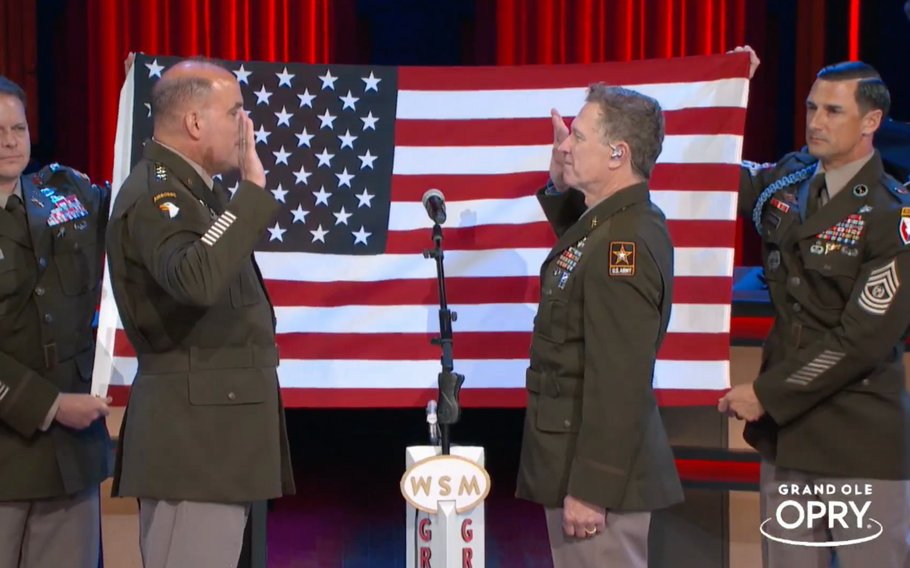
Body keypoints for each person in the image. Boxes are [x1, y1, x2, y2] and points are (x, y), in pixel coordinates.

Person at [721, 47, 910, 566]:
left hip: (858, 438)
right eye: (811, 108)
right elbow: (716, 173)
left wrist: (767, 393)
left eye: (833, 111)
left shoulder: (892, 215)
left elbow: (860, 341)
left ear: (871, 121)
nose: (816, 122)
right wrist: (722, 92)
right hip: (788, 440)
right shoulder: (790, 179)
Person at [105, 59, 295, 567]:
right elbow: (194, 278)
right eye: (234, 112)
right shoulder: (159, 192)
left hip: (215, 442)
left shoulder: (197, 194)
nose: (245, 126)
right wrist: (251, 194)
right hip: (192, 447)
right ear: (194, 122)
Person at [515, 83, 684, 568]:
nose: (565, 145)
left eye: (579, 137)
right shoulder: (611, 224)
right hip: (576, 463)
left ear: (618, 154)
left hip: (599, 484)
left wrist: (592, 489)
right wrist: (560, 184)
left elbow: (619, 380)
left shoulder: (622, 245)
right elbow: (581, 248)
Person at [0, 76, 112, 567]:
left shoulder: (65, 193)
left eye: (18, 129)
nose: (10, 142)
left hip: (69, 460)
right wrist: (50, 405)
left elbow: (135, 205)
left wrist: (141, 97)